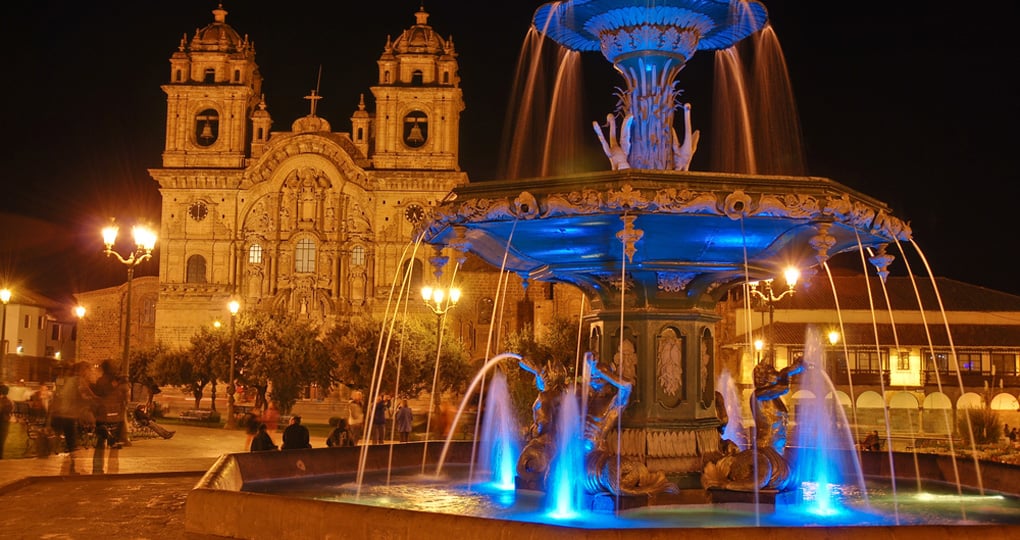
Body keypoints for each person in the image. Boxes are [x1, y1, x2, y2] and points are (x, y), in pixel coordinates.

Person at [49, 361, 99, 456]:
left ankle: (62, 454)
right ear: (83, 370)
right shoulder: (78, 380)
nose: (89, 372)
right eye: (88, 370)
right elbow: (86, 395)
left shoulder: (66, 379)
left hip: (62, 412)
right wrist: (94, 399)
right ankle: (71, 459)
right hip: (69, 413)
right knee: (72, 443)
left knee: (67, 440)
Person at [92, 362, 128, 449]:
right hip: (103, 408)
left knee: (104, 425)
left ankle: (109, 441)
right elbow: (104, 391)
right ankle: (111, 441)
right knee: (102, 425)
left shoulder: (105, 380)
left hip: (107, 408)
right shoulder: (105, 381)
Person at [0, 384, 13, 459]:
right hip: (5, 423)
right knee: (1, 442)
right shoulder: (8, 401)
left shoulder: (4, 401)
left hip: (2, 422)